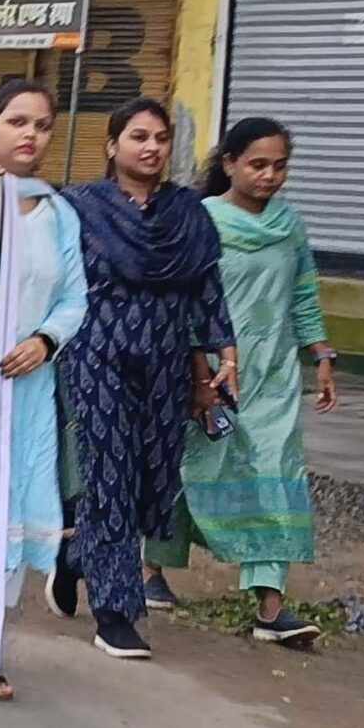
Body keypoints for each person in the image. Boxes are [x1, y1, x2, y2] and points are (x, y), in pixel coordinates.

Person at [56, 97, 238, 661]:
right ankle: (115, 613)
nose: (152, 147)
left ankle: (76, 555)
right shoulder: (80, 207)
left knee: (150, 481)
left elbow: (205, 287)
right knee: (110, 472)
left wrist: (221, 354)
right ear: (113, 146)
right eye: (139, 136)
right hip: (97, 354)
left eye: (160, 138)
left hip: (164, 360)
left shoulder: (187, 213)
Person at [143, 118, 336, 646]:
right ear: (229, 163)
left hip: (274, 376)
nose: (270, 176)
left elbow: (303, 293)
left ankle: (270, 607)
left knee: (277, 474)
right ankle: (151, 567)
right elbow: (184, 300)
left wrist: (320, 353)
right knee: (194, 466)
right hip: (209, 372)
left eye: (280, 166)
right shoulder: (201, 220)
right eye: (257, 165)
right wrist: (196, 373)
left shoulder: (289, 225)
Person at [0, 80, 87, 702]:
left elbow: (75, 297)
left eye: (43, 125)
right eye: (17, 121)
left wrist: (45, 340)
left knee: (12, 505)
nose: (31, 134)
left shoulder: (58, 213)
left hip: (27, 387)